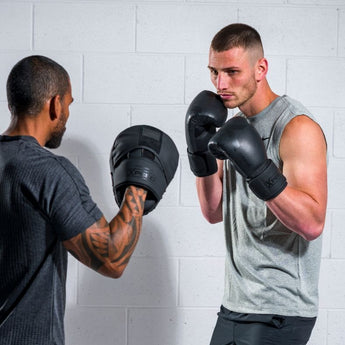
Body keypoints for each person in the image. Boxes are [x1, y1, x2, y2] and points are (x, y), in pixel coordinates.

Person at [0, 55, 179, 345]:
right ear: (55, 104)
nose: (68, 114)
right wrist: (139, 183)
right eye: (69, 104)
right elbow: (111, 259)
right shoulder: (48, 172)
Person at [185, 23, 327, 345]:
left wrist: (259, 169)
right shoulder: (233, 127)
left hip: (280, 309)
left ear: (260, 68)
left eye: (232, 72)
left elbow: (313, 223)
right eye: (214, 72)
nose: (221, 84)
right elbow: (213, 210)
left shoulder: (295, 127)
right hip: (234, 305)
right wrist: (199, 154)